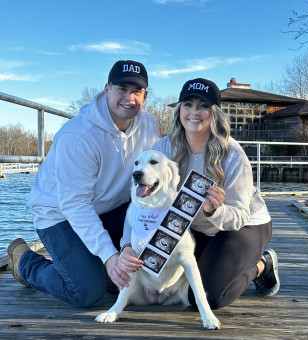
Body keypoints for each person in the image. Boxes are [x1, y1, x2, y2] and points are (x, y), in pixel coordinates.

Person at [7, 60, 158, 307]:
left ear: (146, 96)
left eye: (137, 91)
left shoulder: (149, 124)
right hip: (59, 214)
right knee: (86, 291)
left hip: (112, 207)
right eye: (122, 88)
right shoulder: (79, 135)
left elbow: (152, 175)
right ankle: (24, 262)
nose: (129, 98)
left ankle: (101, 267)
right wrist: (110, 256)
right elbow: (75, 205)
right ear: (107, 89)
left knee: (151, 263)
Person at [119, 78, 280, 310]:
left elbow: (240, 215)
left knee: (211, 297)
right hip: (194, 226)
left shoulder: (233, 154)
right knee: (188, 289)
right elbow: (138, 203)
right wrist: (127, 246)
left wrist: (215, 209)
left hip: (243, 225)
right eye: (188, 104)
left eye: (203, 105)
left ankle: (262, 264)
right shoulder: (163, 148)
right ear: (179, 111)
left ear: (214, 113)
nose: (194, 112)